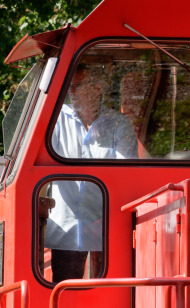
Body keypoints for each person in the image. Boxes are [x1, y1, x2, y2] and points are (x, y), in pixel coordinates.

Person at [43, 63, 138, 282]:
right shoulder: (56, 121)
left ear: (97, 88)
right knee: (65, 293)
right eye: (70, 86)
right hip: (66, 229)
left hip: (106, 227)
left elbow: (126, 174)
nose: (71, 92)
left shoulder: (118, 124)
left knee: (109, 294)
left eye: (78, 86)